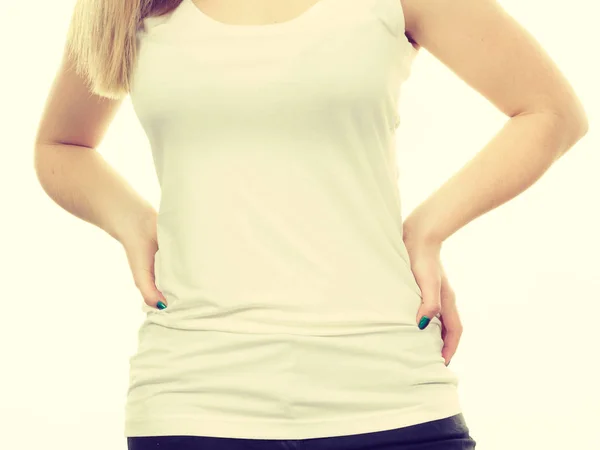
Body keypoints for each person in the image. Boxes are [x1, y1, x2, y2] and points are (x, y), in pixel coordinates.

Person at [34, 0, 588, 449]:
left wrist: (428, 228)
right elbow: (61, 145)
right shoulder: (128, 8)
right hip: (194, 397)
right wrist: (134, 223)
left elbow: (550, 111)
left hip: (390, 389)